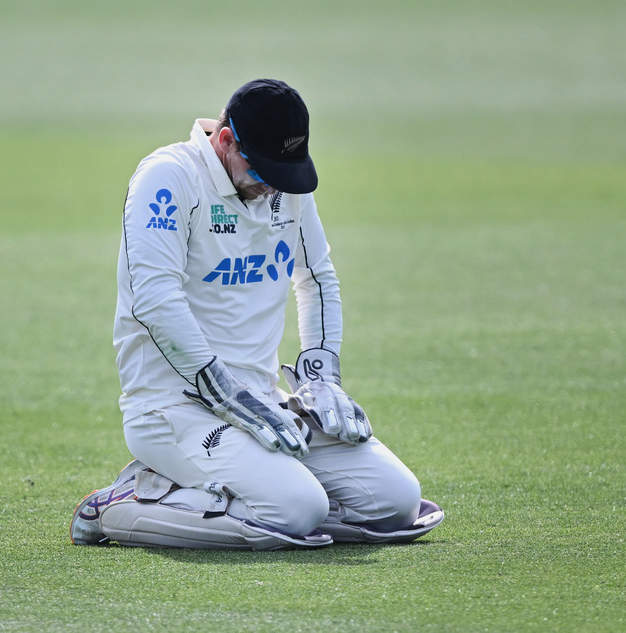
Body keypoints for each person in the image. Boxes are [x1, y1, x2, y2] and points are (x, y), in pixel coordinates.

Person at [70, 79, 443, 549]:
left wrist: (321, 376)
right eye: (262, 169)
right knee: (295, 509)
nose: (273, 187)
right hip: (174, 408)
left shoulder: (282, 184)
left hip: (263, 403)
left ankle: (258, 499)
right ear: (226, 141)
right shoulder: (167, 177)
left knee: (396, 502)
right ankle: (125, 502)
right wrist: (221, 388)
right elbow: (154, 298)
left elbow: (317, 276)